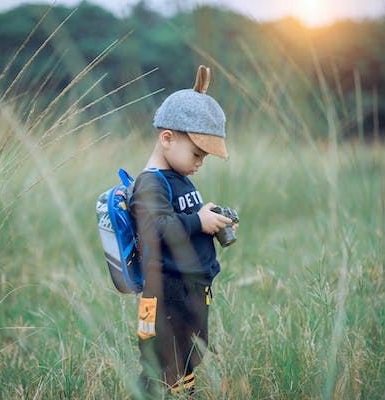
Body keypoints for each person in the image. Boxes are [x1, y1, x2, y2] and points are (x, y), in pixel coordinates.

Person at [129, 65, 237, 398]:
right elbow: (157, 228)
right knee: (163, 359)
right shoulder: (150, 183)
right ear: (167, 138)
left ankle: (181, 393)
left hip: (189, 289)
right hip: (166, 292)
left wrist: (209, 216)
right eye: (196, 153)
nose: (200, 162)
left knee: (190, 353)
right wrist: (197, 221)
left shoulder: (179, 178)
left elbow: (181, 220)